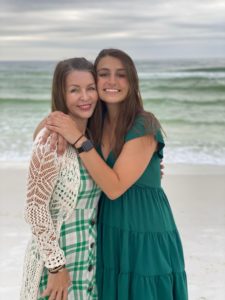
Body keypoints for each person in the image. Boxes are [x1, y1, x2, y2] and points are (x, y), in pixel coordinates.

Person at [43, 48, 188, 300]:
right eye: (103, 74)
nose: (112, 81)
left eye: (121, 75)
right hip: (108, 228)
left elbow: (114, 187)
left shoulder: (144, 124)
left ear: (132, 81)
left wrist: (77, 139)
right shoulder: (94, 124)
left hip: (144, 230)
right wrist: (56, 127)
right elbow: (45, 128)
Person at [20, 57, 102, 300]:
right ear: (61, 93)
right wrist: (56, 266)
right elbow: (35, 209)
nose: (85, 97)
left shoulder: (93, 138)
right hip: (57, 263)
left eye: (90, 88)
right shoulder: (49, 141)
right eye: (74, 90)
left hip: (88, 261)